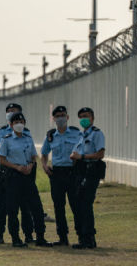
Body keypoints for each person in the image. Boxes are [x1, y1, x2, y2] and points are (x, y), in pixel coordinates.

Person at [0, 112, 52, 248]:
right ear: (11, 125)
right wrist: (17, 167)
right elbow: (2, 160)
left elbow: (34, 156)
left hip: (27, 176)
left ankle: (40, 237)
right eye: (16, 122)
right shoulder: (6, 139)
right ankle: (16, 238)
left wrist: (30, 166)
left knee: (36, 207)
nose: (19, 124)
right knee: (13, 209)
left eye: (21, 122)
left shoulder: (28, 138)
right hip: (13, 176)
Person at [41, 105, 82, 246]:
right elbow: (44, 154)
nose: (60, 118)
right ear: (53, 119)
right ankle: (62, 237)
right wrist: (44, 166)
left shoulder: (76, 134)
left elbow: (83, 149)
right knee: (59, 206)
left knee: (76, 205)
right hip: (57, 174)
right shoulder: (51, 136)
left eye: (63, 115)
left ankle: (82, 236)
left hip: (73, 172)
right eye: (57, 116)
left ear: (67, 117)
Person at [0, 103, 36, 243]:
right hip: (7, 171)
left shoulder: (27, 131)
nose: (11, 113)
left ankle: (28, 234)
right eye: (9, 111)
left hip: (25, 172)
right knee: (3, 205)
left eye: (14, 111)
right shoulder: (1, 132)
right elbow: (1, 151)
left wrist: (28, 166)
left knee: (25, 205)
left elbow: (30, 151)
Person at [69, 107, 105, 249]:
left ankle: (89, 238)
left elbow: (100, 154)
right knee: (78, 204)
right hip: (80, 170)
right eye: (81, 117)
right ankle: (83, 237)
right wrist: (74, 157)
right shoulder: (81, 135)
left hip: (91, 171)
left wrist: (82, 156)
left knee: (86, 204)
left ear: (92, 118)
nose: (84, 119)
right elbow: (76, 153)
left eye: (87, 116)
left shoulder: (97, 134)